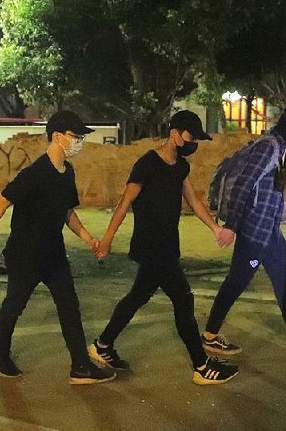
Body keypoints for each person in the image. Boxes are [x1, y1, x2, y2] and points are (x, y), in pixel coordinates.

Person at [87, 110, 239, 385]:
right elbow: (124, 203)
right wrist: (108, 239)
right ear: (175, 133)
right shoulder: (147, 163)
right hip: (151, 245)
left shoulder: (181, 166)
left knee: (138, 296)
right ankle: (202, 366)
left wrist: (216, 229)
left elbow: (193, 200)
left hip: (167, 244)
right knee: (183, 299)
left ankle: (103, 345)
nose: (193, 143)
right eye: (191, 137)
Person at [0, 110, 116, 385]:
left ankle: (80, 366)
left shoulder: (67, 172)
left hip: (53, 253)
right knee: (14, 305)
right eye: (76, 137)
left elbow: (67, 212)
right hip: (25, 253)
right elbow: (0, 202)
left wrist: (87, 238)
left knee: (69, 306)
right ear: (57, 137)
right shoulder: (36, 173)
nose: (79, 143)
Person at [202, 98, 286, 357]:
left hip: (268, 232)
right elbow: (243, 185)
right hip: (254, 231)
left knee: (285, 280)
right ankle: (209, 336)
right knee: (237, 282)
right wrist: (230, 226)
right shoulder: (268, 147)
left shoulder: (281, 146)